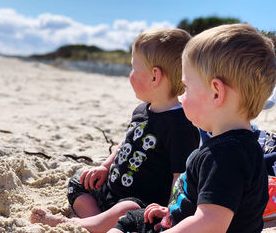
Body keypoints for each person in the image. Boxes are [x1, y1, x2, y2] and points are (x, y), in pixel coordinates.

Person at [110, 23, 276, 233]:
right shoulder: (234, 146)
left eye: (187, 87)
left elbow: (210, 223)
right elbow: (206, 200)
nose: (181, 96)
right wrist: (170, 211)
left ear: (216, 92)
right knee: (132, 218)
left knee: (126, 224)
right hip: (180, 222)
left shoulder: (226, 157)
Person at [30, 28, 200, 232]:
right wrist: (104, 167)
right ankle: (98, 222)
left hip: (140, 201)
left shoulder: (181, 124)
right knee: (78, 182)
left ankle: (75, 225)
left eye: (134, 68)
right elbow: (125, 144)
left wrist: (170, 210)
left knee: (127, 209)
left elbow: (179, 175)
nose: (130, 75)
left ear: (155, 76)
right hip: (111, 188)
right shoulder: (142, 110)